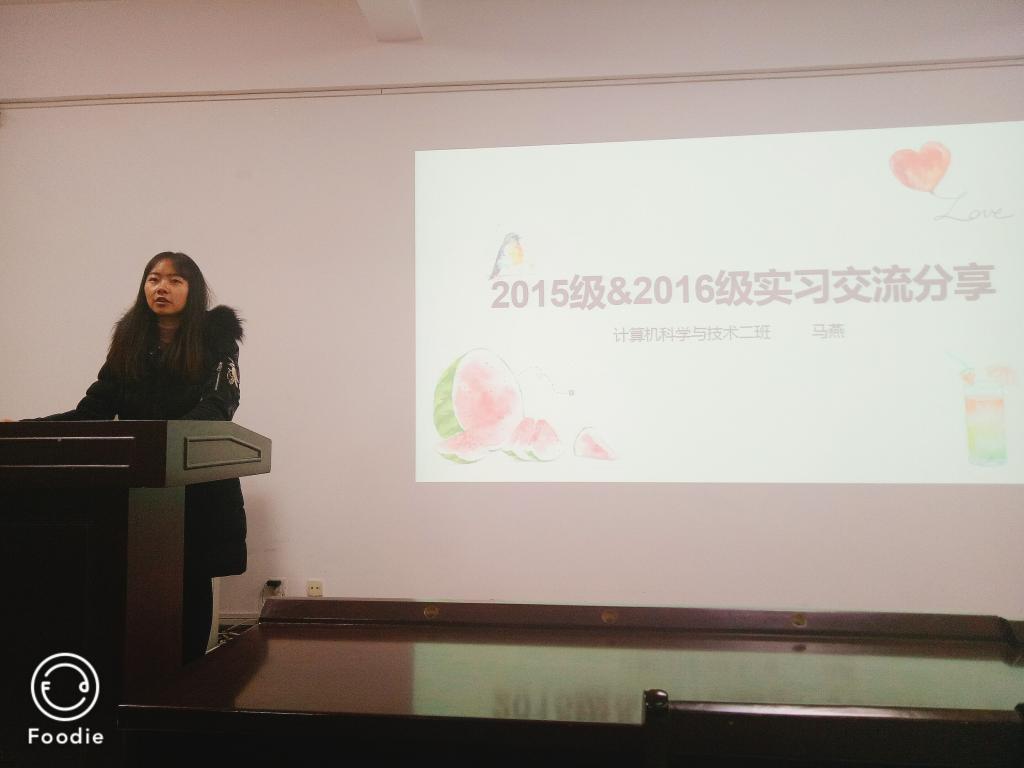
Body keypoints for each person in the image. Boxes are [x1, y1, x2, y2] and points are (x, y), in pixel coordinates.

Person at [29, 251, 247, 664]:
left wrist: (163, 440)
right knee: (125, 583)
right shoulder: (129, 342)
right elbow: (92, 412)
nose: (161, 287)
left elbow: (219, 406)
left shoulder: (216, 339)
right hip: (134, 489)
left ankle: (188, 682)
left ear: (193, 290)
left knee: (190, 580)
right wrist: (27, 427)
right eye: (153, 278)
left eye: (175, 280)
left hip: (194, 484)